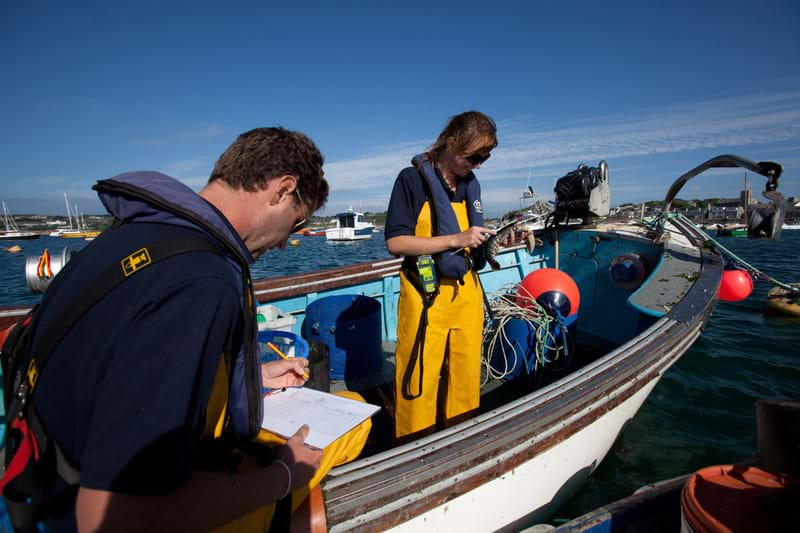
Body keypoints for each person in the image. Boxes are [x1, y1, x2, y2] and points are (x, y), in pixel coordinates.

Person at [2, 127, 370, 531]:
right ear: (282, 190)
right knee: (350, 427)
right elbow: (112, 515)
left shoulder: (130, 235)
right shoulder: (200, 281)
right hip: (90, 515)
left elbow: (116, 366)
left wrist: (250, 377)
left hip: (45, 477)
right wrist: (281, 478)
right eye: (295, 224)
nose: (285, 243)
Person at [384, 111, 498, 441]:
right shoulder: (411, 180)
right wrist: (456, 239)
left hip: (466, 294)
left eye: (485, 158)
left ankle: (460, 442)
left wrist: (487, 244)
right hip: (425, 296)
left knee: (464, 378)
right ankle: (412, 448)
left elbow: (470, 241)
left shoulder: (469, 186)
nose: (478, 165)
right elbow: (395, 242)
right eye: (473, 156)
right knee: (418, 379)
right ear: (450, 143)